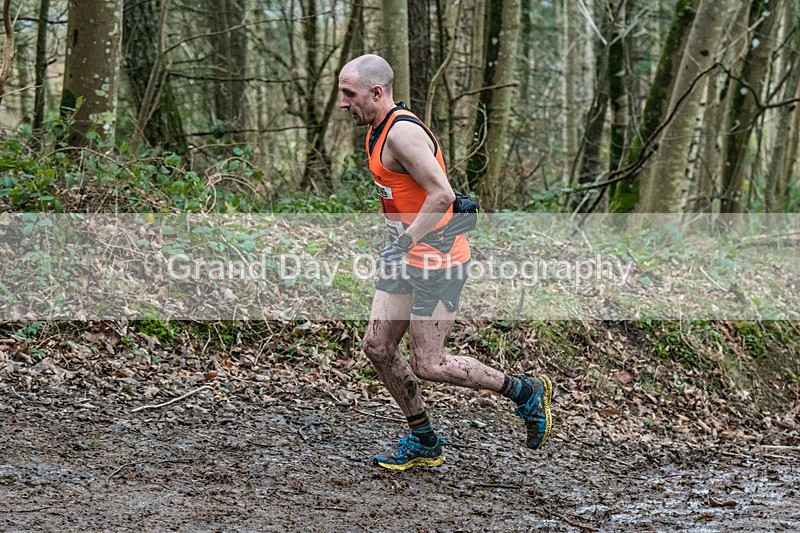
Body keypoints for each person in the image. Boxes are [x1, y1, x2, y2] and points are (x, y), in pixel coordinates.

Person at [338, 54, 553, 471]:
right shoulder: (376, 129)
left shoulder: (401, 134)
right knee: (378, 347)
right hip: (406, 255)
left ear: (377, 92)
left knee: (429, 363)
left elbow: (444, 196)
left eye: (350, 94)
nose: (343, 103)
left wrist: (404, 241)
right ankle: (423, 440)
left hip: (438, 260)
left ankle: (524, 391)